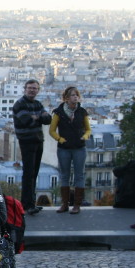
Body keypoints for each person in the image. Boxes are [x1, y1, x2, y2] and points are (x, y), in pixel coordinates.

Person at [12, 79, 52, 215]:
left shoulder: (37, 104)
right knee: (28, 173)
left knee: (34, 173)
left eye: (34, 88)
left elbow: (49, 119)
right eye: (30, 88)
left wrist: (36, 117)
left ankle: (30, 203)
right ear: (25, 89)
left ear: (38, 90)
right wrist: (38, 116)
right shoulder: (19, 104)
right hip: (27, 141)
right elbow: (26, 120)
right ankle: (26, 204)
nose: (32, 90)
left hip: (38, 140)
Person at [49, 86, 91, 214]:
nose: (75, 97)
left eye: (76, 95)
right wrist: (59, 139)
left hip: (79, 147)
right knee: (64, 175)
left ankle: (77, 204)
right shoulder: (59, 112)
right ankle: (64, 204)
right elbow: (51, 130)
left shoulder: (82, 112)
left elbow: (88, 129)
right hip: (64, 148)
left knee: (79, 175)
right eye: (73, 95)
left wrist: (85, 136)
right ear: (66, 98)